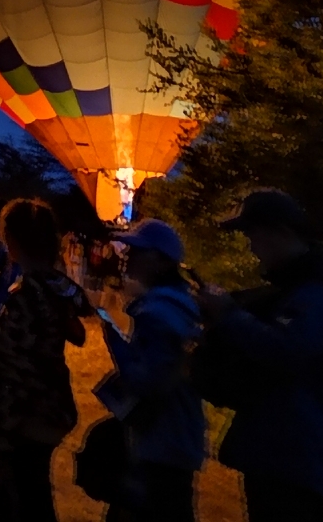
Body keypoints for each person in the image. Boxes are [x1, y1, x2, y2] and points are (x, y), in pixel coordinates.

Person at [196, 191, 323, 522]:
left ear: (281, 232)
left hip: (296, 457)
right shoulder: (298, 290)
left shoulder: (317, 293)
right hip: (280, 453)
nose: (251, 246)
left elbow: (287, 349)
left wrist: (228, 314)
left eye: (254, 234)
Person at [0, 198, 90, 522]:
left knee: (19, 501)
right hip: (52, 406)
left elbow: (14, 369)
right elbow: (79, 333)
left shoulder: (25, 295)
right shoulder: (59, 289)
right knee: (36, 495)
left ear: (11, 241)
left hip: (24, 415)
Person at [95, 220, 204, 522]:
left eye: (136, 250)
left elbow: (146, 380)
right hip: (179, 436)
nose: (127, 255)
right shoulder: (184, 303)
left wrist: (115, 339)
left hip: (160, 440)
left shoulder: (158, 311)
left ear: (158, 260)